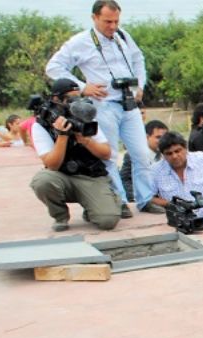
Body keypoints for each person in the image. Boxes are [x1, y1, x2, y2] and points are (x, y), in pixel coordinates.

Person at [46, 0, 164, 217]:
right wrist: (83, 87)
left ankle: (145, 199)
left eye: (116, 21)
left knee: (141, 154)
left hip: (129, 104)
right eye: (107, 21)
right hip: (104, 105)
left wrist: (139, 84)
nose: (112, 26)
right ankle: (117, 200)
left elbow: (139, 59)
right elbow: (53, 67)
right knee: (109, 156)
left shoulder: (123, 36)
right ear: (94, 18)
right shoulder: (80, 42)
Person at [29, 78, 120, 232]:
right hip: (62, 176)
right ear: (57, 99)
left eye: (79, 97)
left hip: (91, 176)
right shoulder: (41, 125)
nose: (76, 103)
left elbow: (106, 153)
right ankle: (60, 216)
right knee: (42, 181)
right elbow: (52, 164)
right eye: (71, 99)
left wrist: (86, 141)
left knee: (108, 221)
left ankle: (107, 201)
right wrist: (62, 136)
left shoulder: (85, 117)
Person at [150, 131, 203, 222]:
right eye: (169, 153)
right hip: (177, 224)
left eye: (177, 151)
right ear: (163, 155)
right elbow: (148, 197)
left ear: (185, 148)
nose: (174, 156)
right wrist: (171, 204)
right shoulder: (155, 171)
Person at [120, 119, 167, 202]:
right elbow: (125, 180)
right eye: (158, 137)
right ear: (147, 137)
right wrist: (135, 198)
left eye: (165, 137)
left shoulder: (167, 155)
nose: (163, 141)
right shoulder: (133, 155)